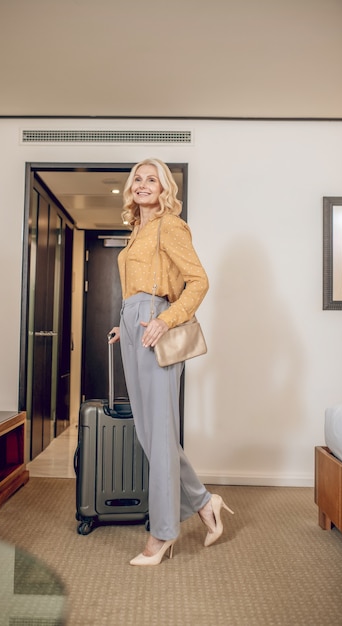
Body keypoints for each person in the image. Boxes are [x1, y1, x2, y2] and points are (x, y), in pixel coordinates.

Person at [108, 158, 233, 566]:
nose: (144, 185)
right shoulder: (135, 230)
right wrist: (122, 325)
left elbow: (199, 281)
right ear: (132, 189)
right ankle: (203, 502)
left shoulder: (170, 225)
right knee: (148, 434)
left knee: (159, 436)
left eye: (152, 180)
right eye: (138, 180)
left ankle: (162, 534)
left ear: (164, 190)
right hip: (132, 326)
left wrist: (163, 319)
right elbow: (136, 289)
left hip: (154, 329)